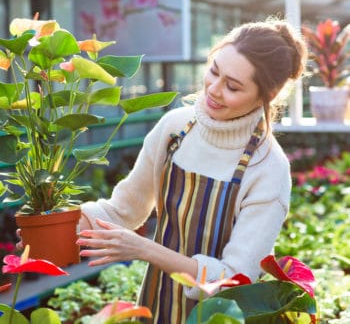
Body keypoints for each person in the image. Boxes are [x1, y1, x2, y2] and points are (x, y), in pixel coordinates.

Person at [76, 18, 308, 323]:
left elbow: (233, 280)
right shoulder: (175, 128)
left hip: (221, 316)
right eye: (213, 70)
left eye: (233, 86)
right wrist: (60, 224)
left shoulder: (268, 168)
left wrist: (145, 249)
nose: (213, 89)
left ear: (266, 97)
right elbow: (123, 211)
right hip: (156, 306)